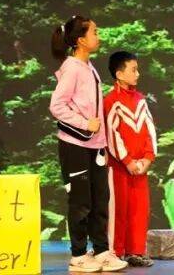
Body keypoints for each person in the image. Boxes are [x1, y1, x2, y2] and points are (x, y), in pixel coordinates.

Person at [49, 15, 127, 272]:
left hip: (95, 145)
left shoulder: (88, 66)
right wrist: (84, 123)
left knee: (100, 199)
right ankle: (79, 255)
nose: (98, 36)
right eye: (94, 32)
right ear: (81, 40)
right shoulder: (72, 67)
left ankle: (102, 251)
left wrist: (101, 139)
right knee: (81, 202)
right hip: (75, 145)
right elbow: (57, 106)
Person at [104, 51, 157, 268]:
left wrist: (147, 158)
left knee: (139, 209)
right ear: (119, 74)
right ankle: (116, 252)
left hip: (140, 166)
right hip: (119, 167)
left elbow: (149, 130)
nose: (138, 74)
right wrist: (127, 161)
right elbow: (111, 134)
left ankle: (136, 251)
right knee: (119, 210)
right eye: (133, 70)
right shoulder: (110, 101)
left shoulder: (140, 100)